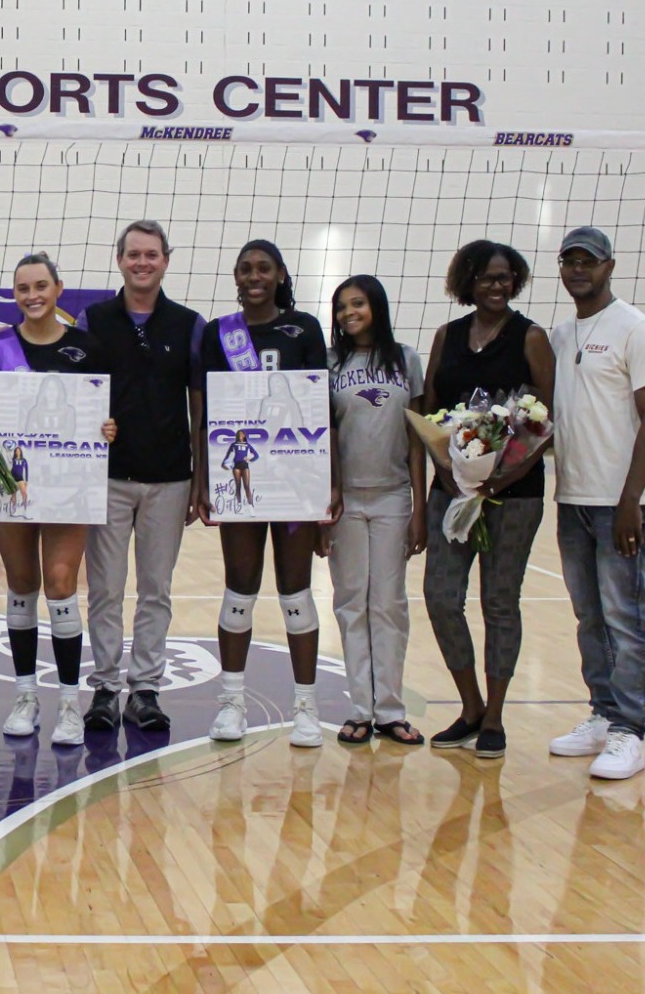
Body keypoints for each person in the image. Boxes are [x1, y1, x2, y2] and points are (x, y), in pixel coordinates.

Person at [196, 239, 334, 748]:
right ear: (236, 277)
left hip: (296, 480)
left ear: (279, 275)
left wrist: (330, 481)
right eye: (245, 269)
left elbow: (322, 409)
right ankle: (232, 704)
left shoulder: (305, 329)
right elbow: (203, 406)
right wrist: (201, 477)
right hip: (240, 477)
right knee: (240, 588)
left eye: (263, 268)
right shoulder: (219, 334)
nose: (254, 276)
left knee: (296, 591)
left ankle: (306, 708)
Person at [422, 240, 554, 758]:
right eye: (486, 278)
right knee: (440, 596)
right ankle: (470, 705)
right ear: (468, 283)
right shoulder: (447, 336)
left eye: (505, 278)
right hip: (452, 491)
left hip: (514, 495)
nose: (497, 286)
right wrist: (446, 469)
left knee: (499, 602)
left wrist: (501, 476)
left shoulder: (531, 336)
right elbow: (430, 414)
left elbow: (547, 419)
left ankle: (495, 717)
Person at [546, 226, 645, 781]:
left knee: (628, 617)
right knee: (589, 617)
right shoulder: (560, 334)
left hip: (622, 503)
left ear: (609, 266)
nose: (579, 270)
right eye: (570, 261)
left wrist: (631, 500)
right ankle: (601, 713)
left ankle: (629, 730)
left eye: (589, 262)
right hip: (572, 497)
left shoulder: (634, 328)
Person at [0, 253, 114, 746]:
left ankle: (69, 705)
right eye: (22, 289)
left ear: (58, 288)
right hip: (13, 478)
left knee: (60, 583)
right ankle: (24, 696)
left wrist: (108, 427)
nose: (32, 296)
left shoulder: (86, 348)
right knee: (21, 582)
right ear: (14, 295)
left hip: (68, 482)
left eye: (41, 286)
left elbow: (102, 413)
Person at [79, 220, 207, 733]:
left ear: (166, 260)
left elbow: (199, 404)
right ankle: (107, 688)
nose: (142, 262)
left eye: (151, 254)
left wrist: (201, 478)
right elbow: (77, 393)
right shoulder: (93, 320)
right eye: (133, 254)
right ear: (120, 260)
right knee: (106, 589)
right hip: (108, 478)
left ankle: (146, 689)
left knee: (156, 589)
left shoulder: (189, 323)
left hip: (170, 479)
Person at [324, 274, 427, 745]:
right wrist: (324, 505)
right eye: (342, 306)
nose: (349, 313)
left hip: (392, 496)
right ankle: (360, 709)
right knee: (351, 604)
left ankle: (390, 709)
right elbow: (321, 439)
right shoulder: (330, 364)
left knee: (388, 604)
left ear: (377, 307)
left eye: (358, 303)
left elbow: (417, 437)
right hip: (345, 501)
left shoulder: (405, 359)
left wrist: (419, 506)